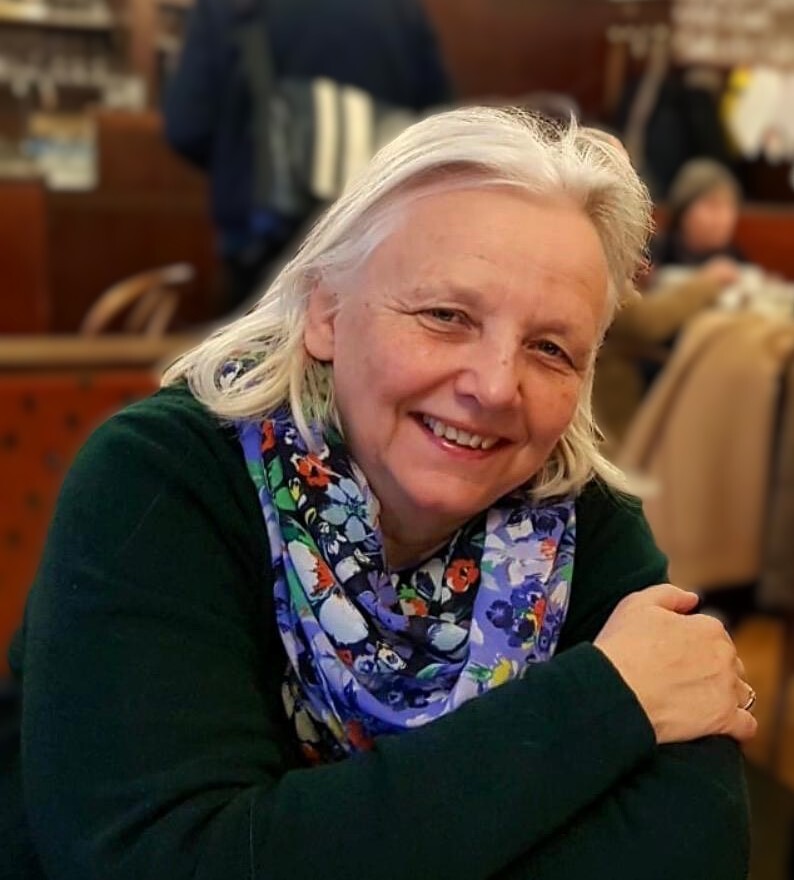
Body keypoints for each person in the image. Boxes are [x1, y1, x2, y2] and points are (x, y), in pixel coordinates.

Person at [5, 109, 756, 879]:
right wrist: (607, 700)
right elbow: (167, 862)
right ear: (327, 311)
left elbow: (695, 849)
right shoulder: (162, 479)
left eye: (550, 348)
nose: (497, 386)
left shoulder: (583, 522)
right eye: (446, 316)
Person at [164, 0, 453, 311]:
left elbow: (187, 128)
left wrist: (242, 160)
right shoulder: (401, 10)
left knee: (262, 337)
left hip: (263, 242)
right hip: (374, 232)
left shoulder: (228, 7)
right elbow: (439, 125)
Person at [593, 159, 747, 447]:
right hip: (649, 372)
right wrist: (707, 283)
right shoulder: (654, 252)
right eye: (711, 206)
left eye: (728, 207)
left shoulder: (734, 256)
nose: (721, 218)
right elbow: (644, 323)